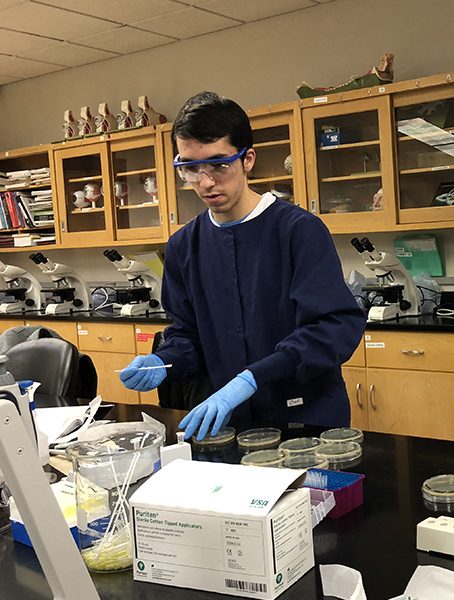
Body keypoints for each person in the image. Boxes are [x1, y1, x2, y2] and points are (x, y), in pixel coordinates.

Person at [119, 91, 366, 441]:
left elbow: (334, 327)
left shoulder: (298, 231)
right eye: (190, 167)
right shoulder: (183, 247)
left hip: (307, 419)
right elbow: (187, 335)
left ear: (247, 159)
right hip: (229, 424)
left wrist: (254, 376)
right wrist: (164, 360)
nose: (204, 182)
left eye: (219, 164)